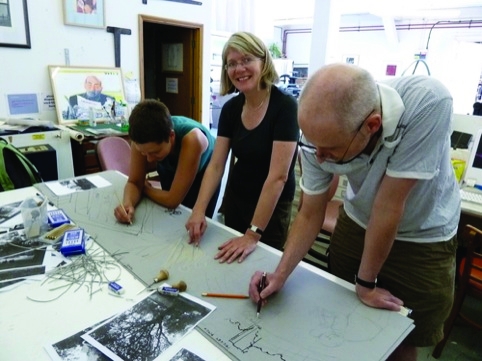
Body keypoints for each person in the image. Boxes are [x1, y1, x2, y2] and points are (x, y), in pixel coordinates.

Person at [249, 63, 460, 361]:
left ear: (372, 125)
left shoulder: (428, 102)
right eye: (313, 144)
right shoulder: (321, 128)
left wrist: (366, 284)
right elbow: (310, 212)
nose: (319, 156)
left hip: (422, 236)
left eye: (329, 148)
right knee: (343, 321)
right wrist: (280, 274)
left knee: (401, 340)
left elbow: (388, 206)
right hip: (358, 220)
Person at [185, 31, 299, 263]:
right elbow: (216, 165)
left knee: (260, 268)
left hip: (271, 208)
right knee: (230, 262)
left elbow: (278, 177)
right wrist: (198, 209)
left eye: (247, 60)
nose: (239, 69)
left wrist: (252, 234)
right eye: (232, 63)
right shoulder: (231, 109)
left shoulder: (285, 107)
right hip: (237, 200)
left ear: (263, 61)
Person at [114, 100, 219, 224]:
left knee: (195, 224)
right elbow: (134, 182)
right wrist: (127, 204)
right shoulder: (141, 140)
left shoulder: (193, 140)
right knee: (169, 219)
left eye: (155, 152)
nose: (149, 159)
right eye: (144, 153)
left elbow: (172, 200)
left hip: (204, 172)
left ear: (171, 136)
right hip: (171, 162)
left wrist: (143, 188)